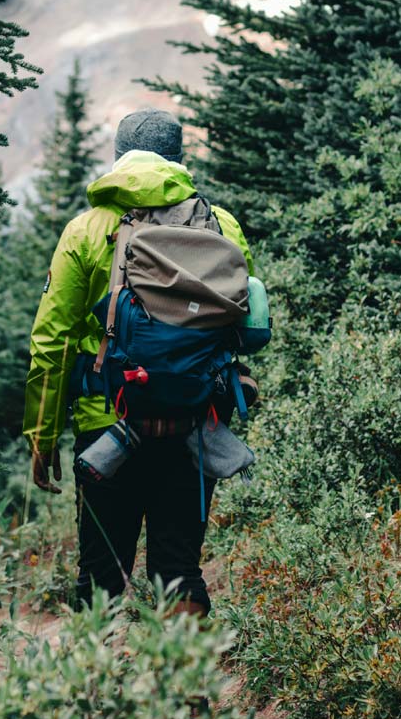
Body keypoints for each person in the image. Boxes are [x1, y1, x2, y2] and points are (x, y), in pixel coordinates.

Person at [22, 108, 254, 617]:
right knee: (178, 570)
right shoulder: (221, 224)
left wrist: (41, 434)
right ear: (177, 159)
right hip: (194, 425)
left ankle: (96, 690)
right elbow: (248, 326)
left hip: (107, 424)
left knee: (101, 573)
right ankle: (185, 691)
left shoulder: (86, 230)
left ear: (119, 159)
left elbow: (52, 340)